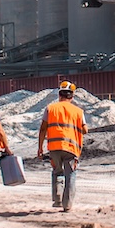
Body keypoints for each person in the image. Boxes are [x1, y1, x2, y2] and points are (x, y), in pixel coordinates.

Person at [37, 80, 88, 212]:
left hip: (54, 147)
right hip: (71, 148)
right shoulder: (78, 111)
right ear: (72, 96)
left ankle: (58, 198)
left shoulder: (50, 108)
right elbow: (85, 130)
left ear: (59, 95)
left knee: (57, 171)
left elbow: (43, 129)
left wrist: (40, 148)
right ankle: (67, 205)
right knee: (70, 174)